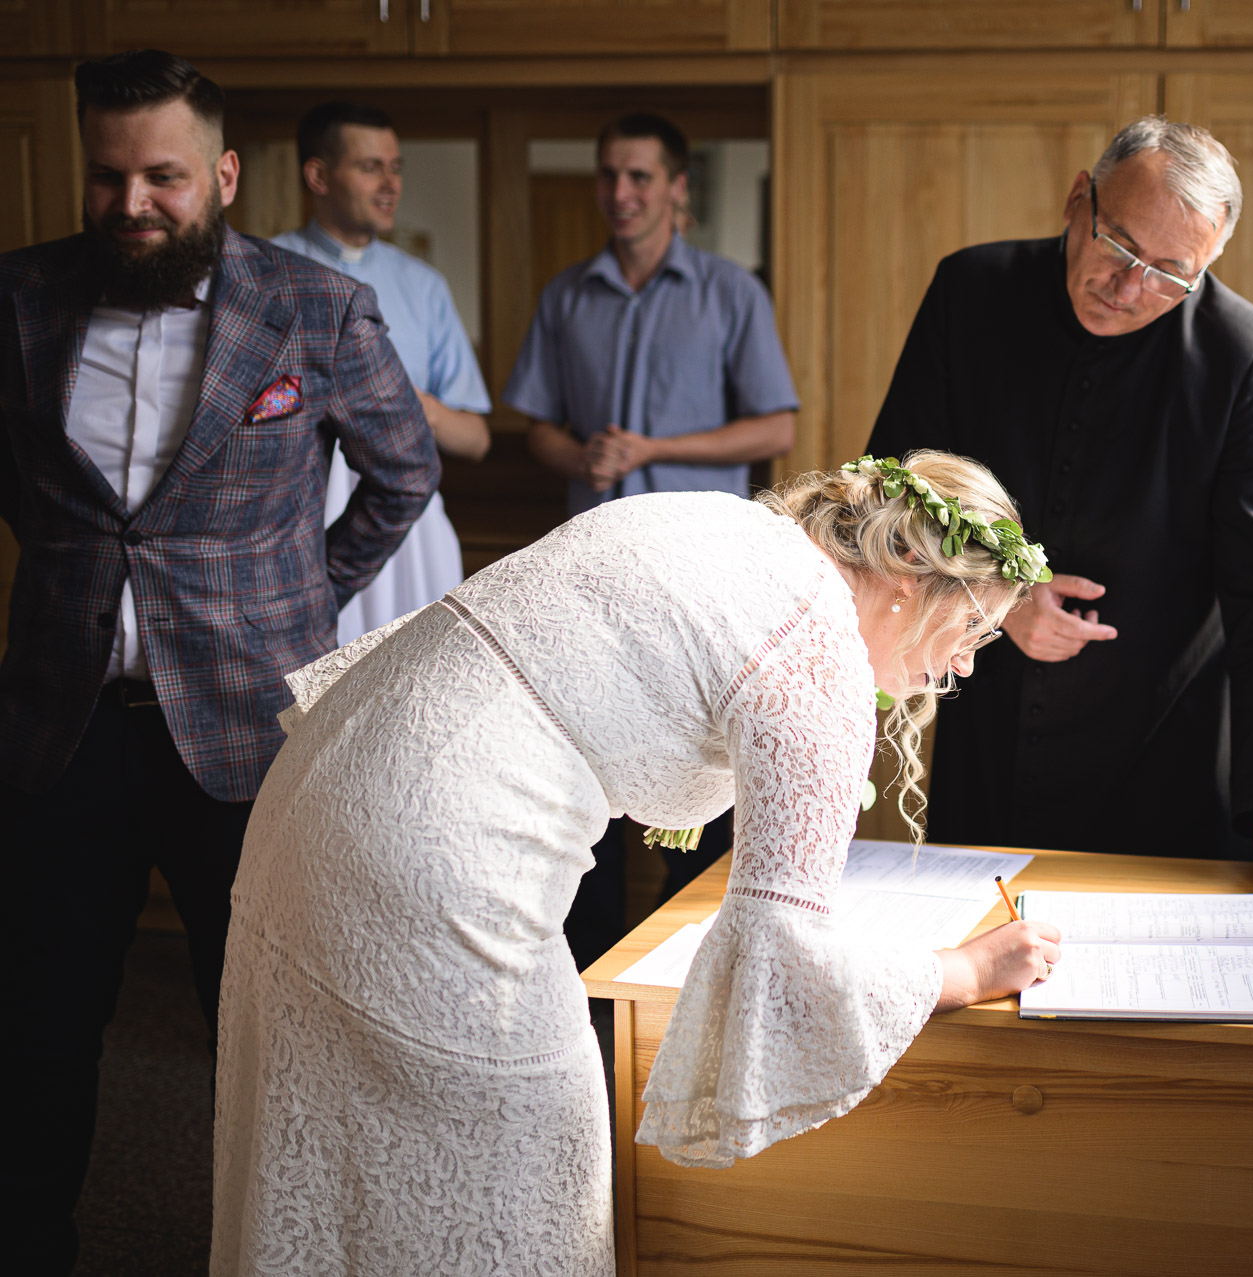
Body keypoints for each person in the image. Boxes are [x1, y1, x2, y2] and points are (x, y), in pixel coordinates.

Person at [209, 451, 1062, 1275]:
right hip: (429, 868)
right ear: (909, 577)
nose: (962, 664)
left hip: (314, 789)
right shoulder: (816, 644)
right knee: (528, 1169)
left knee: (335, 1151)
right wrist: (960, 971)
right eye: (973, 629)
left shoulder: (728, 526)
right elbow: (783, 953)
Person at [0, 50, 439, 1275]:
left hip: (249, 732)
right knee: (36, 1030)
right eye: (108, 177)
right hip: (60, 729)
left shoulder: (318, 308)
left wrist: (297, 600)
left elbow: (404, 472)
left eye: (164, 177)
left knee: (262, 1025)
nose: (132, 203)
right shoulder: (19, 299)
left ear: (226, 174)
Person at [867, 116, 1253, 903]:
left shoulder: (1242, 355)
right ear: (1078, 201)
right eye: (1118, 246)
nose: (1129, 289)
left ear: (1205, 267)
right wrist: (1003, 599)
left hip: (1167, 762)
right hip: (991, 749)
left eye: (1170, 274)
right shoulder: (970, 292)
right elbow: (894, 487)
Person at [503, 111, 800, 962]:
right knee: (585, 782)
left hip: (702, 585)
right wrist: (579, 453)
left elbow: (775, 425)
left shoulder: (730, 293)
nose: (621, 192)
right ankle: (589, 977)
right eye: (609, 174)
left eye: (640, 176)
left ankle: (691, 961)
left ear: (676, 187)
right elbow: (536, 428)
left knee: (704, 786)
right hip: (589, 587)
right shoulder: (565, 295)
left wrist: (655, 447)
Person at [274, 101, 493, 643]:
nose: (391, 184)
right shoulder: (264, 274)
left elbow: (476, 440)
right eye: (371, 167)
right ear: (318, 176)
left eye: (395, 168)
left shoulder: (424, 287)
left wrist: (417, 406)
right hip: (295, 527)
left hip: (406, 528)